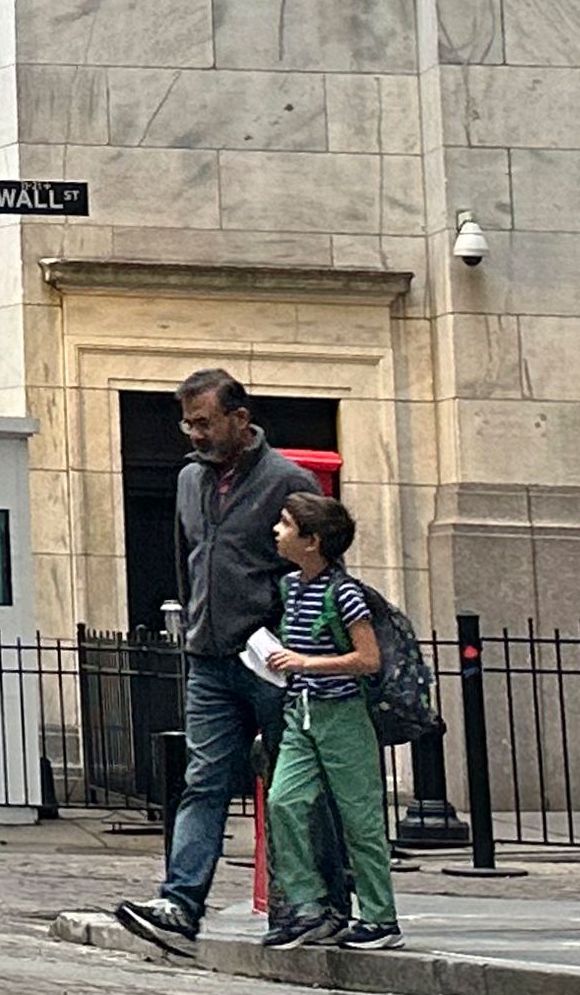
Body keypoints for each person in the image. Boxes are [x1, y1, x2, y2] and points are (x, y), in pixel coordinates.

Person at [115, 367, 325, 958]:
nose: (193, 434)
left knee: (291, 787)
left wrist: (292, 645)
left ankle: (301, 904)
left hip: (274, 662)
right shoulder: (188, 481)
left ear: (240, 418)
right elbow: (192, 560)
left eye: (204, 422)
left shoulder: (289, 481)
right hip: (209, 658)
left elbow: (314, 569)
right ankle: (181, 905)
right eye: (188, 422)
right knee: (202, 780)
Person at [258, 492, 402, 951]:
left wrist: (303, 663)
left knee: (360, 818)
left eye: (285, 524)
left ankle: (381, 918)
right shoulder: (291, 587)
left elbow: (368, 659)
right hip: (301, 713)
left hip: (342, 717)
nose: (276, 532)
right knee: (284, 801)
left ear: (312, 541)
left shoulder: (346, 593)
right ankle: (308, 905)